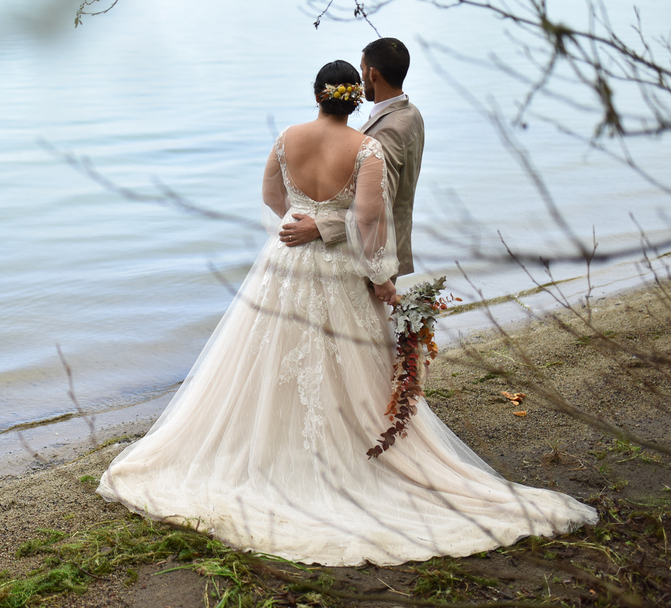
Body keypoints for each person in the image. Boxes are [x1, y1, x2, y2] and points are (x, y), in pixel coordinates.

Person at [96, 61, 596, 566]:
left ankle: (268, 450)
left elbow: (270, 196)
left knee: (267, 356)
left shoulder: (287, 137)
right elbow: (369, 219)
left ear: (317, 94)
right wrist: (381, 276)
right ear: (356, 98)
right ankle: (344, 456)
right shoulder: (366, 148)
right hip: (338, 271)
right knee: (349, 363)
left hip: (286, 263)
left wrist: (301, 220)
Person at [280, 38, 423, 277]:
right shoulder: (410, 112)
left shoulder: (386, 131)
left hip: (371, 254)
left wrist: (318, 226)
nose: (361, 75)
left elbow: (377, 204)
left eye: (363, 69)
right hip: (384, 245)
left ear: (373, 74)